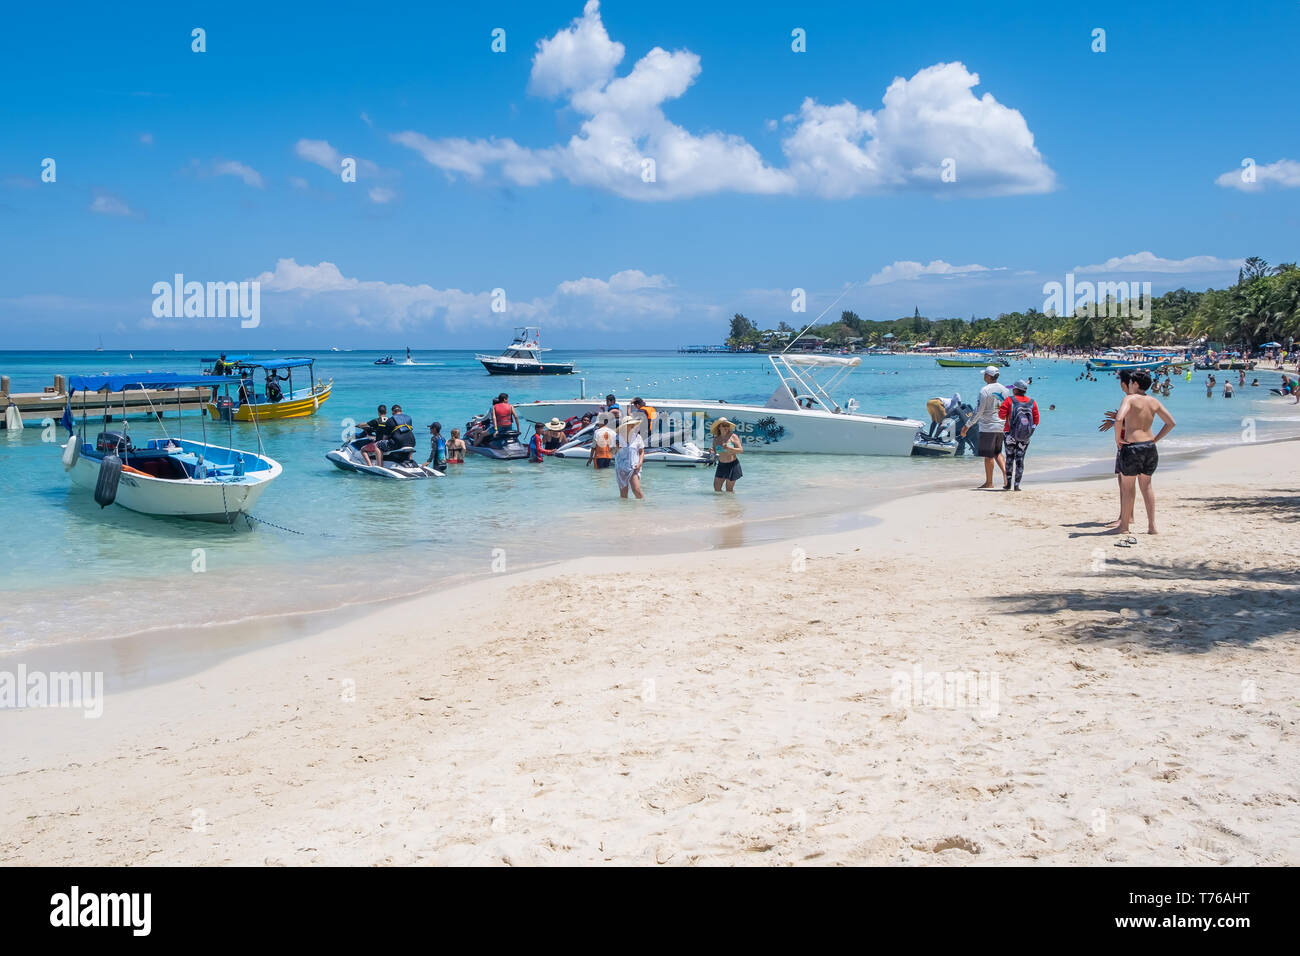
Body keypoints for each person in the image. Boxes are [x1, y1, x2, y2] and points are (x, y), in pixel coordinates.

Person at [1113, 369, 1176, 535]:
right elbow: (1171, 423)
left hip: (1132, 447)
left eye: (1132, 383)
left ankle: (1124, 526)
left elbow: (1119, 419)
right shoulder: (1154, 401)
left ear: (1135, 384)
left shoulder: (1130, 399)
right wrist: (1156, 439)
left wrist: (1117, 440)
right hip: (1149, 446)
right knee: (1147, 487)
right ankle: (1152, 526)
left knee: (1128, 488)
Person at [960, 366, 1010, 488]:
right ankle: (1007, 478)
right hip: (1001, 426)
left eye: (985, 374)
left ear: (988, 376)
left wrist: (967, 426)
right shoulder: (1005, 390)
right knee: (998, 452)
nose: (983, 376)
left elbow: (978, 411)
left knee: (988, 456)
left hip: (988, 426)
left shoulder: (985, 390)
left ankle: (989, 482)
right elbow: (1007, 409)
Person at [997, 379, 1039, 490]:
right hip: (1025, 436)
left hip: (1009, 435)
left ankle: (1008, 484)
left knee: (1010, 458)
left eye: (1013, 389)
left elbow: (1001, 416)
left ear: (1016, 390)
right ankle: (1017, 485)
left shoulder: (1009, 401)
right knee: (1020, 460)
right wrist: (1028, 432)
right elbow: (1036, 420)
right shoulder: (1032, 402)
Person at [614, 417, 645, 499]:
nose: (632, 427)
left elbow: (641, 451)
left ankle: (643, 509)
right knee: (624, 494)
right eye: (630, 425)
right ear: (624, 427)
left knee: (636, 490)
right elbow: (611, 452)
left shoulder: (638, 437)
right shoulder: (617, 437)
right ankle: (625, 511)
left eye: (633, 425)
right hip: (621, 467)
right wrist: (617, 447)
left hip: (633, 467)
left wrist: (640, 463)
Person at [710, 417, 743, 493]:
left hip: (732, 465)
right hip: (721, 465)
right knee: (716, 489)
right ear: (719, 427)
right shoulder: (716, 439)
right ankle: (720, 504)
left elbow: (741, 450)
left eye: (727, 425)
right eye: (724, 425)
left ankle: (730, 504)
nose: (726, 427)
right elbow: (715, 453)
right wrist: (712, 452)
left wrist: (729, 448)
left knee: (729, 490)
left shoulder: (733, 436)